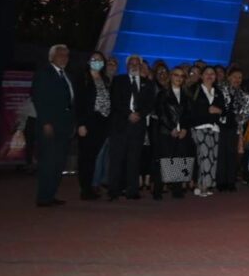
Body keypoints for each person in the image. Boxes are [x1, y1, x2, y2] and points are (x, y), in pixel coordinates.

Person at [31, 44, 76, 207]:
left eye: (66, 55)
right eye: (60, 55)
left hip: (64, 126)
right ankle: (43, 196)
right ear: (52, 57)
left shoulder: (67, 76)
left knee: (58, 163)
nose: (64, 58)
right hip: (49, 126)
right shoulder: (44, 74)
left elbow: (70, 103)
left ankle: (51, 194)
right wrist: (46, 122)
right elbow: (39, 99)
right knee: (48, 162)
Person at [108, 54, 156, 201]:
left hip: (138, 126)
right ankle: (114, 191)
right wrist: (128, 114)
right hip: (121, 125)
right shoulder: (118, 80)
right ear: (127, 65)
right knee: (117, 159)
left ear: (141, 66)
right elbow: (115, 101)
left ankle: (132, 190)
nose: (134, 66)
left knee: (134, 160)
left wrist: (139, 114)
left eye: (137, 64)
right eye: (131, 63)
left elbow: (150, 104)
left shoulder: (147, 83)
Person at [151, 67, 192, 199]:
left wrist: (184, 128)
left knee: (179, 160)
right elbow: (161, 113)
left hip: (182, 133)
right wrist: (171, 128)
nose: (179, 78)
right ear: (171, 76)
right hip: (166, 132)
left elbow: (188, 114)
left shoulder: (186, 94)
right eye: (176, 75)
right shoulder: (163, 93)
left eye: (181, 76)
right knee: (164, 160)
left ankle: (177, 190)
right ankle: (157, 190)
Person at [74, 51, 110, 201]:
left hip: (102, 121)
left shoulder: (105, 79)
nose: (97, 62)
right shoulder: (83, 78)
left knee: (94, 157)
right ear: (89, 62)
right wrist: (81, 123)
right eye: (94, 59)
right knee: (86, 157)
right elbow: (79, 103)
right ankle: (85, 189)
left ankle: (90, 187)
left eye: (100, 60)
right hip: (89, 121)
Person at [189, 66, 226, 197]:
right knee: (204, 155)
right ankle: (203, 185)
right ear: (201, 76)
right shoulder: (194, 89)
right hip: (199, 126)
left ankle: (202, 184)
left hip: (214, 127)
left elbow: (223, 109)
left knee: (211, 157)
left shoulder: (218, 92)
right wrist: (208, 110)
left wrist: (219, 111)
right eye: (207, 73)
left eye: (212, 74)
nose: (210, 76)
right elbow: (191, 109)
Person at [218, 68, 249, 192]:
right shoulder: (220, 90)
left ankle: (231, 181)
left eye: (240, 77)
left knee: (232, 154)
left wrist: (240, 119)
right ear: (229, 77)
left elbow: (247, 112)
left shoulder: (244, 95)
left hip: (235, 128)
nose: (237, 80)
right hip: (220, 127)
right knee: (221, 154)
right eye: (235, 77)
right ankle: (221, 182)